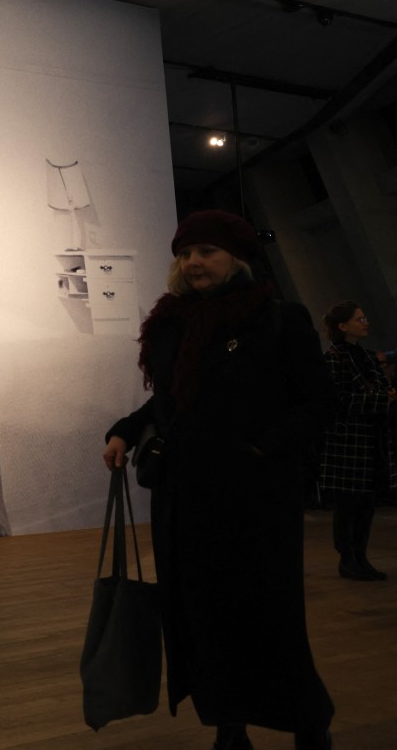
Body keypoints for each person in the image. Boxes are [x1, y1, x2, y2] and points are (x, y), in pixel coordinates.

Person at [102, 210, 334, 750]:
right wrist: (126, 430)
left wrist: (260, 450)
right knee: (203, 618)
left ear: (238, 258)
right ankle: (229, 728)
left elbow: (317, 402)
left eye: (207, 251)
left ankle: (308, 723)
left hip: (255, 498)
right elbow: (171, 401)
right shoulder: (172, 324)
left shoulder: (278, 319)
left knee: (270, 615)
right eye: (185, 253)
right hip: (186, 499)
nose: (193, 262)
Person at [318, 300, 395, 581]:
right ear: (343, 325)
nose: (366, 322)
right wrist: (381, 399)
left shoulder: (365, 356)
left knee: (366, 503)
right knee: (348, 504)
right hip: (348, 442)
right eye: (359, 319)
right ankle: (348, 558)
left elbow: (378, 388)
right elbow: (337, 401)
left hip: (372, 438)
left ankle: (360, 556)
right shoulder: (333, 358)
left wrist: (386, 396)